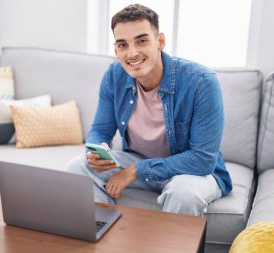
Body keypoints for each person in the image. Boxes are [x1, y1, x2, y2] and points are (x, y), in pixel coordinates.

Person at [67, 4, 232, 216]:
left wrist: (136, 170)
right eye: (122, 45)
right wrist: (97, 150)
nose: (132, 53)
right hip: (138, 159)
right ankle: (105, 238)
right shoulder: (114, 75)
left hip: (192, 172)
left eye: (142, 40)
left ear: (160, 41)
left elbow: (202, 159)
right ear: (116, 49)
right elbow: (100, 129)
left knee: (184, 193)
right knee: (77, 167)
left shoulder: (202, 82)